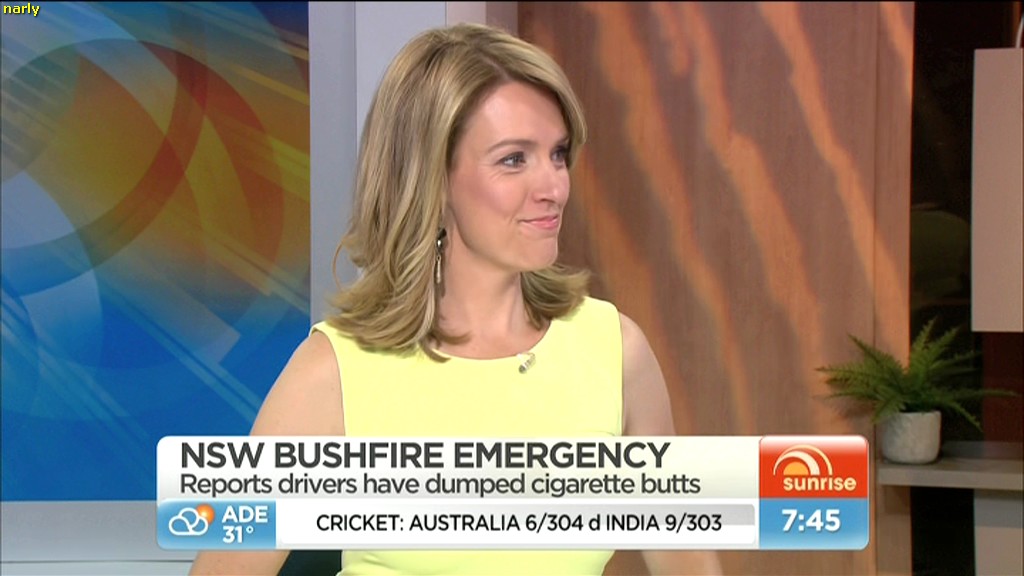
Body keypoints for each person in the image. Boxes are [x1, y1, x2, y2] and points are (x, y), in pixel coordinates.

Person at [190, 22, 721, 576]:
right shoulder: (332, 374)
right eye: (514, 159)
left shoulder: (614, 352)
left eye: (558, 154)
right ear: (433, 179)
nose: (554, 187)